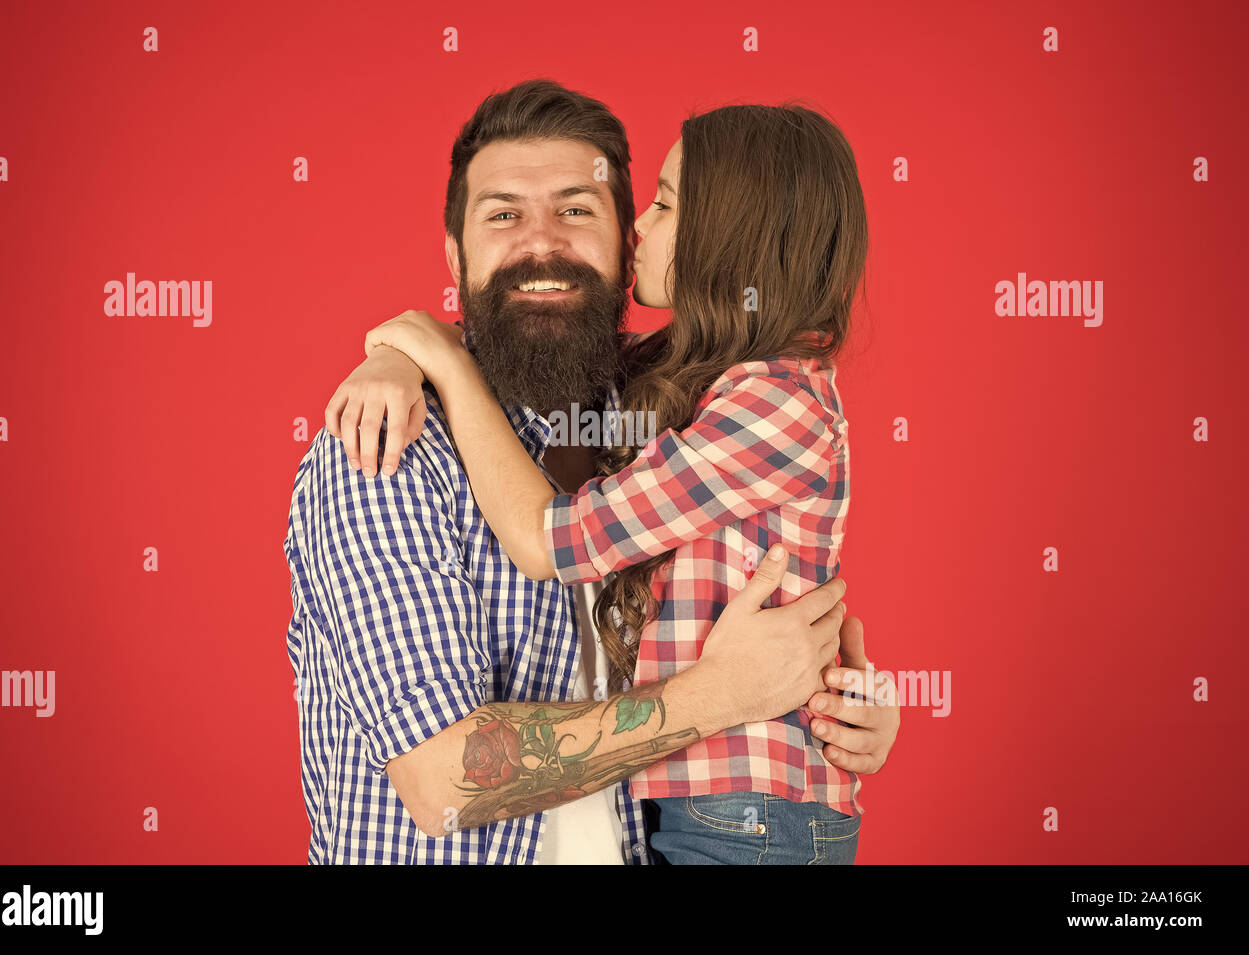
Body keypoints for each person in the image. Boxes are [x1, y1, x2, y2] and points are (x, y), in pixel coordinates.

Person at [288, 79, 899, 865]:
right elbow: (447, 781)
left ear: (624, 245)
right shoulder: (386, 452)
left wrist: (837, 710)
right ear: (455, 256)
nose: (541, 244)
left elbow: (763, 588)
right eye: (503, 215)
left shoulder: (670, 406)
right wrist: (727, 693)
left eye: (577, 210)